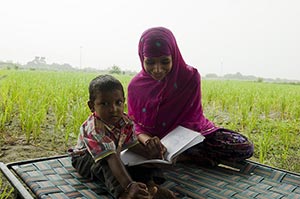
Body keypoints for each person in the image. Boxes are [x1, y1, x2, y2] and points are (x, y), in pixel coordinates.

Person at [127, 27, 254, 166]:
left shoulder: (189, 77)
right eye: (150, 62)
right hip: (152, 142)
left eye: (165, 62)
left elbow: (192, 117)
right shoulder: (135, 86)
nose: (157, 69)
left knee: (244, 147)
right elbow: (134, 125)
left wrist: (179, 143)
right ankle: (179, 157)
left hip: (188, 138)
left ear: (174, 56)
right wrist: (148, 141)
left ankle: (181, 157)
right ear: (142, 58)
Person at [70, 74, 176, 199]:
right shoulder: (94, 128)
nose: (113, 109)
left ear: (124, 102)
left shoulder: (125, 122)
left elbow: (132, 144)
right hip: (85, 158)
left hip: (113, 154)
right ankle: (124, 193)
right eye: (104, 104)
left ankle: (150, 187)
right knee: (106, 165)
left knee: (137, 163)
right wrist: (129, 185)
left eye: (118, 102)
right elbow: (111, 158)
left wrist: (151, 154)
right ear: (92, 106)